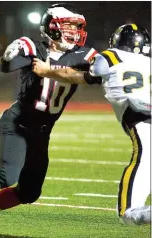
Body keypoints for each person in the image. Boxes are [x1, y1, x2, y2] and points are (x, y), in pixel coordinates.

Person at [0, 4, 98, 235]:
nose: (74, 33)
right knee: (8, 175)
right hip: (19, 122)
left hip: (42, 130)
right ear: (52, 28)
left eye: (76, 28)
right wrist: (9, 54)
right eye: (68, 27)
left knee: (30, 191)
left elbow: (97, 75)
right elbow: (7, 66)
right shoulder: (32, 47)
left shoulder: (84, 55)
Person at [32, 23, 151, 225]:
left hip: (142, 117)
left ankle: (132, 210)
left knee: (129, 212)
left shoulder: (110, 57)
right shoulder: (148, 62)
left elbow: (78, 76)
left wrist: (47, 71)